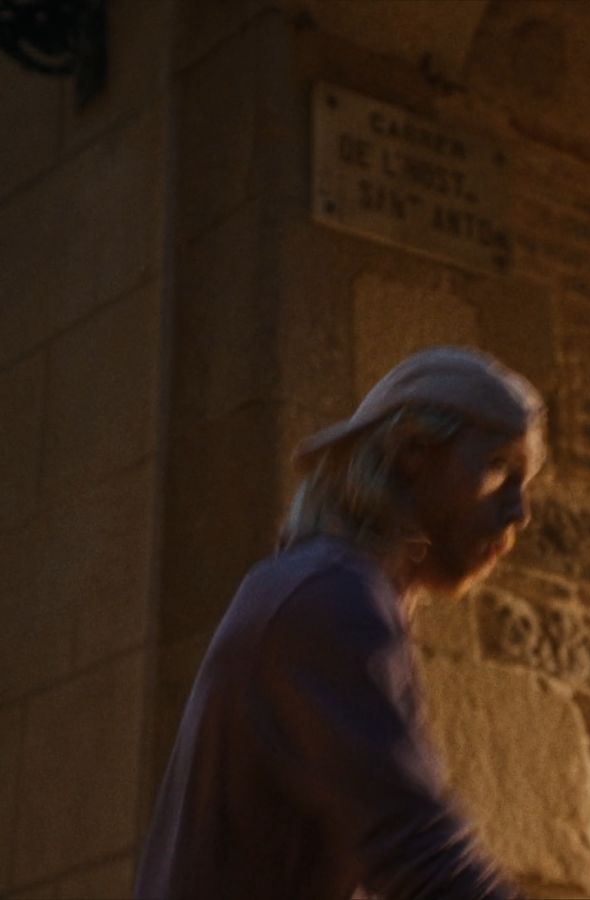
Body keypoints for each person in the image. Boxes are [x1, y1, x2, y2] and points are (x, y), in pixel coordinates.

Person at [134, 346, 546, 900]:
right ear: (412, 452)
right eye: (499, 468)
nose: (519, 512)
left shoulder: (325, 590)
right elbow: (421, 860)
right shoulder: (331, 596)